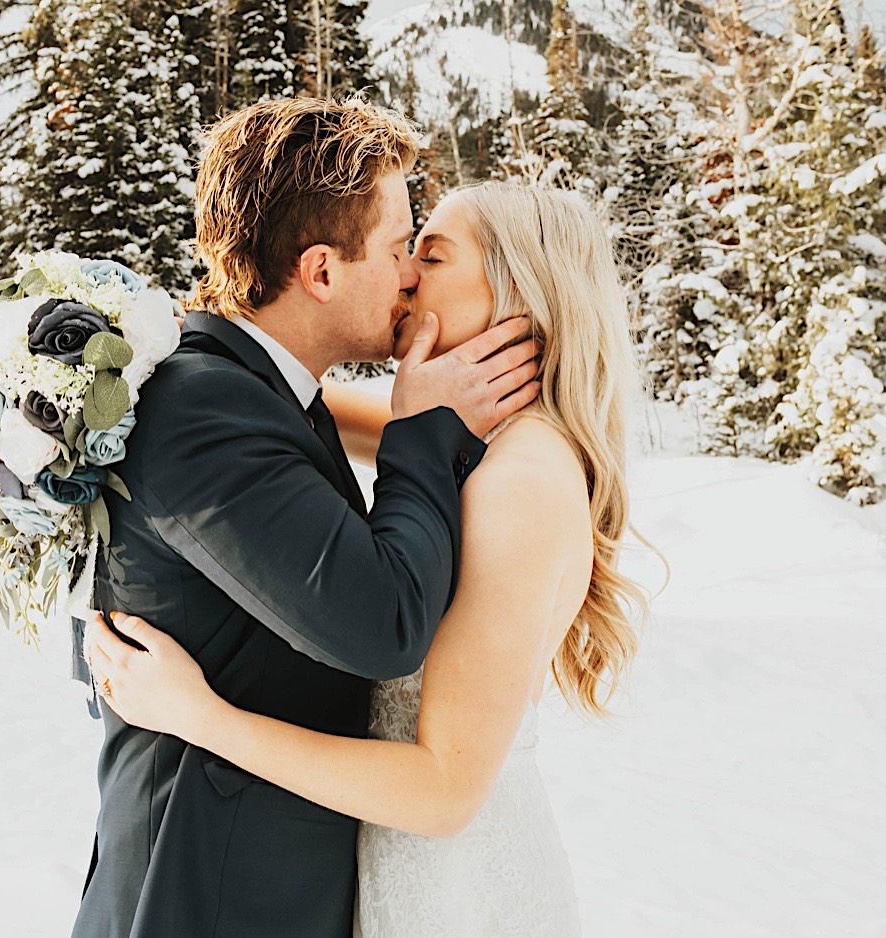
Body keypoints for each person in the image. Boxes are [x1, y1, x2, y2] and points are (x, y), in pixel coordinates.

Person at [85, 182, 649, 937]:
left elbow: (445, 792)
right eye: (407, 249)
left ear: (519, 292)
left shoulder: (522, 480)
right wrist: (149, 353)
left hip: (455, 891)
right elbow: (293, 401)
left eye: (433, 253)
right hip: (384, 869)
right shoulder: (475, 435)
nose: (409, 272)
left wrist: (201, 718)